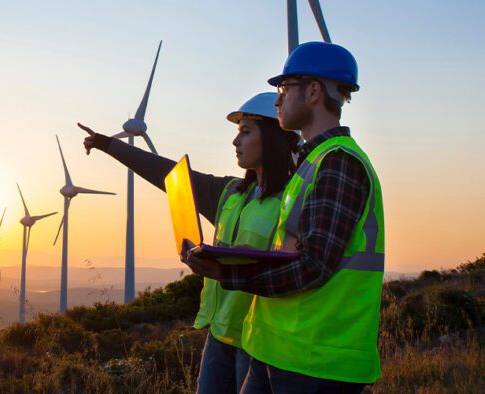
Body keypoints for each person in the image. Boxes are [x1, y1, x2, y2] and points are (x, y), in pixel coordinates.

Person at [182, 42, 385, 394]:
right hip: (279, 349)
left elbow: (313, 266)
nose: (277, 100)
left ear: (313, 91)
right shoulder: (313, 162)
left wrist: (229, 274)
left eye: (283, 88)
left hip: (315, 360)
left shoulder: (338, 163)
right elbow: (294, 251)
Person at [78, 92, 299, 393]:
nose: (235, 142)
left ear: (274, 138)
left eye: (245, 132)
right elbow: (169, 175)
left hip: (259, 341)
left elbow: (294, 269)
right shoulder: (228, 193)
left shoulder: (294, 200)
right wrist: (109, 144)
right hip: (219, 336)